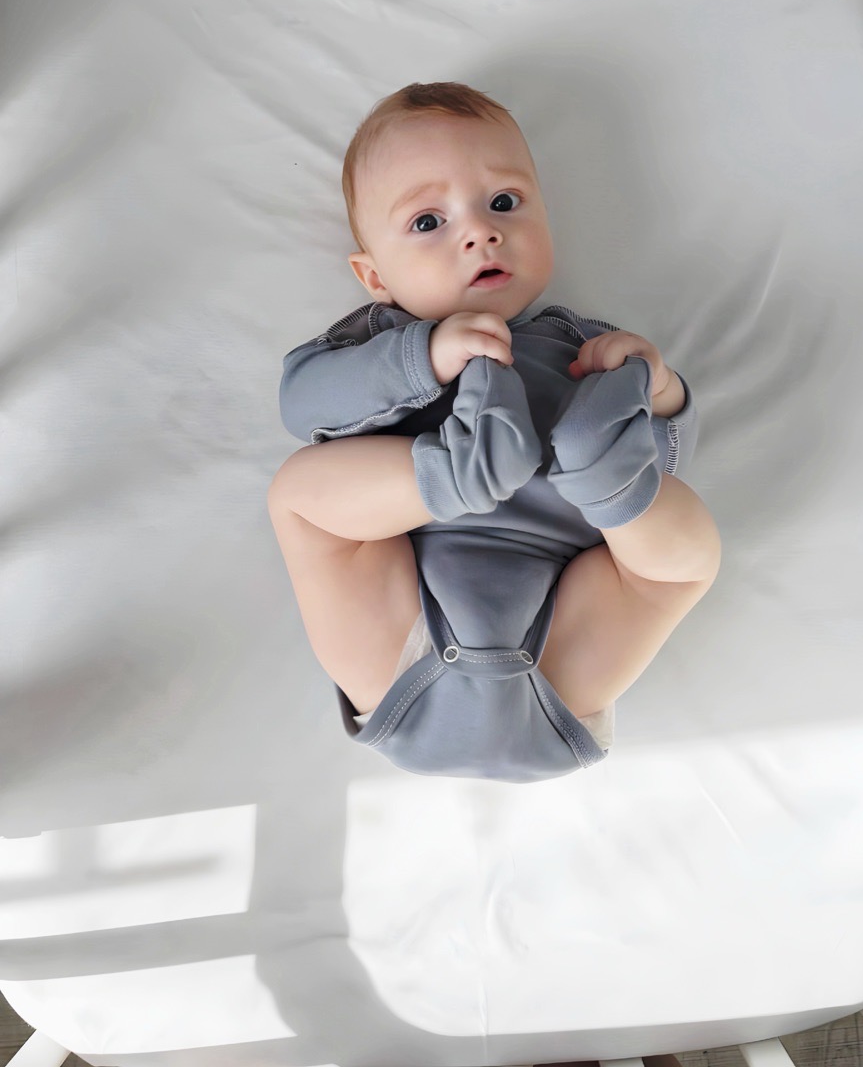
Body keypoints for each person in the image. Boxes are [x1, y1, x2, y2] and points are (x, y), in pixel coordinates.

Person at [268, 81, 721, 782]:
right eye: (428, 221)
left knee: (676, 551)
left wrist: (654, 385)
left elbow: (670, 453)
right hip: (406, 638)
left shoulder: (582, 343)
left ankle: (606, 483)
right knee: (302, 494)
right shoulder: (382, 342)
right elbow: (303, 404)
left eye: (503, 203)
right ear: (374, 276)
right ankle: (457, 471)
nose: (479, 232)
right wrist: (425, 356)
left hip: (561, 634)